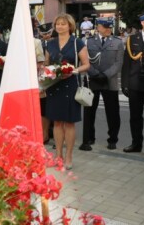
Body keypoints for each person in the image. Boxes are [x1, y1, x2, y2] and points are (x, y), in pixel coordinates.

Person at [45, 14, 90, 170]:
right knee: (57, 122)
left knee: (69, 122)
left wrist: (74, 70)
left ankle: (69, 156)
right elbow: (46, 64)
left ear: (70, 26)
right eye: (58, 24)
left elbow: (86, 65)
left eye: (63, 24)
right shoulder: (50, 43)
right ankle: (58, 155)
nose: (60, 26)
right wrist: (46, 73)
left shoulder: (77, 43)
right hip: (54, 86)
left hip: (71, 85)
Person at [79, 18, 123, 151]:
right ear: (98, 27)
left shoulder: (117, 42)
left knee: (113, 112)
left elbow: (119, 63)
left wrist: (105, 75)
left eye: (109, 27)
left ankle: (113, 139)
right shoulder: (88, 41)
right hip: (93, 81)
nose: (109, 28)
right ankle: (89, 138)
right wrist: (94, 74)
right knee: (89, 112)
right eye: (105, 26)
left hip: (110, 82)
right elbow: (84, 60)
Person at [121, 13, 144, 156]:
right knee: (135, 116)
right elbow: (126, 63)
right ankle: (136, 143)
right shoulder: (132, 39)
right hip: (135, 84)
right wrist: (125, 83)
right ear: (143, 23)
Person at [38, 22, 54, 144]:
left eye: (47, 33)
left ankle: (51, 132)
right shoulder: (39, 43)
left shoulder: (56, 42)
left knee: (52, 106)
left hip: (53, 77)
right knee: (43, 107)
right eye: (43, 34)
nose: (46, 36)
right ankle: (45, 133)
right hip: (40, 77)